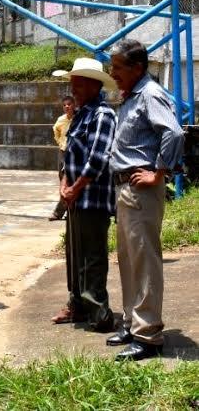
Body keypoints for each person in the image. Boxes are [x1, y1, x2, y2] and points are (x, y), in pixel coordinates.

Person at [107, 39, 184, 361]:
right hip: (125, 190)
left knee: (145, 263)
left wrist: (159, 173)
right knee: (128, 261)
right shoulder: (132, 96)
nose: (113, 74)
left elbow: (174, 133)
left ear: (137, 68)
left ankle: (148, 335)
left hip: (140, 190)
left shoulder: (150, 94)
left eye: (118, 68)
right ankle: (132, 322)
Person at [49, 58, 117, 332]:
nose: (73, 89)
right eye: (72, 83)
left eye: (77, 83)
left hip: (92, 198)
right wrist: (64, 185)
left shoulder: (103, 115)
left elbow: (98, 158)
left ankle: (99, 312)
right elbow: (69, 157)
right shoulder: (81, 114)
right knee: (74, 255)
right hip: (75, 198)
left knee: (92, 256)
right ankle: (76, 304)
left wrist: (75, 189)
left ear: (93, 85)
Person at [49, 96, 76, 221]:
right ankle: (65, 211)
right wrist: (61, 144)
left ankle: (60, 212)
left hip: (76, 152)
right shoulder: (60, 120)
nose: (67, 107)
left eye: (69, 104)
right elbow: (56, 133)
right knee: (63, 180)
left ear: (74, 105)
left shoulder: (79, 118)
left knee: (72, 180)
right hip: (63, 151)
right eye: (64, 105)